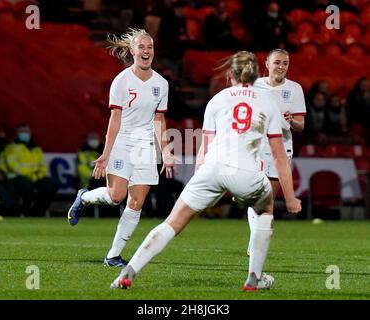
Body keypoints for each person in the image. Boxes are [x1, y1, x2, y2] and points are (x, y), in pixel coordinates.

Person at [110, 50, 302, 291]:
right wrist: (291, 197)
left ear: (230, 74)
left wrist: (201, 181)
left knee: (173, 222)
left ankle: (129, 271)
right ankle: (254, 277)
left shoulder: (217, 99)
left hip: (212, 168)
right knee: (265, 210)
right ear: (255, 75)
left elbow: (204, 149)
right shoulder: (268, 103)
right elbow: (279, 156)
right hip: (247, 173)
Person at [67, 28, 175, 268]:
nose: (146, 51)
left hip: (145, 146)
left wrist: (165, 151)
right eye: (142, 47)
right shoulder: (122, 81)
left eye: (150, 47)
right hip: (123, 141)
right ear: (132, 51)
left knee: (136, 202)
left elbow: (159, 120)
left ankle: (113, 255)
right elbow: (115, 119)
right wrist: (106, 153)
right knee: (116, 196)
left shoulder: (162, 84)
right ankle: (84, 197)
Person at [247, 49, 306, 251]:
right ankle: (254, 240)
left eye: (285, 63)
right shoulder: (255, 85)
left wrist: (292, 121)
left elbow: (301, 125)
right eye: (277, 62)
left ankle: (256, 236)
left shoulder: (295, 89)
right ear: (267, 64)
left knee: (268, 198)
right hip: (257, 144)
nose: (281, 67)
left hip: (281, 147)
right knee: (257, 194)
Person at [0, 123, 58, 216]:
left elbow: (43, 166)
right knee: (26, 184)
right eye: (22, 131)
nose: (25, 134)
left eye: (27, 131)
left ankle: (38, 210)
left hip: (35, 177)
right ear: (17, 133)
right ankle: (24, 210)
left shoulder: (36, 148)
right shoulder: (11, 147)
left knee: (52, 184)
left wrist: (37, 175)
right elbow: (14, 167)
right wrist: (32, 174)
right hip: (17, 177)